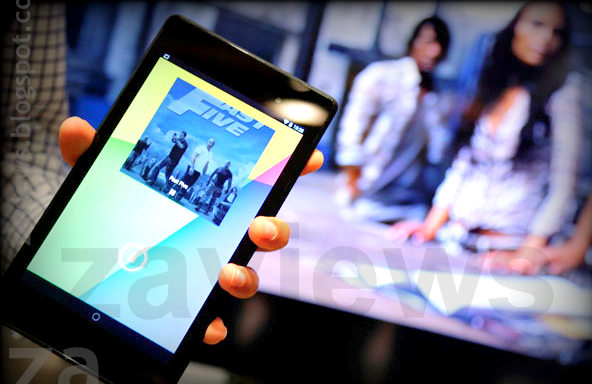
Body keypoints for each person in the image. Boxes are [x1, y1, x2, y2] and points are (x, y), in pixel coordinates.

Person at [58, 117, 323, 344]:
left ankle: (174, 193)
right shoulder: (198, 150)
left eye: (214, 144)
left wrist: (209, 180)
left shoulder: (214, 162)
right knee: (167, 177)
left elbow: (211, 170)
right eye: (210, 142)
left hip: (200, 177)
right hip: (191, 171)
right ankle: (164, 188)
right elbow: (196, 158)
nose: (211, 145)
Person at [391, 2, 583, 274]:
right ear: (515, 27)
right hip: (456, 239)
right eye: (538, 24)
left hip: (507, 248)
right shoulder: (495, 86)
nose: (546, 38)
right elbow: (465, 163)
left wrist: (528, 253)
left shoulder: (563, 96)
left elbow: (564, 186)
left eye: (557, 32)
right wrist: (430, 226)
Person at [335, 16, 452, 222]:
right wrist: (352, 179)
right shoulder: (381, 75)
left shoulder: (437, 97)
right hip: (365, 194)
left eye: (440, 45)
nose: (435, 51)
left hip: (408, 202)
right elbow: (352, 127)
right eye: (428, 41)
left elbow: (436, 153)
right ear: (413, 41)